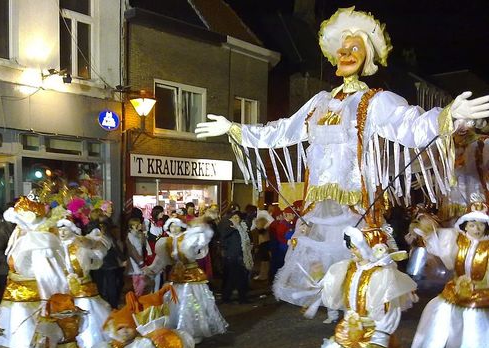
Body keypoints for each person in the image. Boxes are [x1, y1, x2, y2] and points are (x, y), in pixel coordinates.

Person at [195, 6, 489, 312]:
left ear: (367, 59)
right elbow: (281, 131)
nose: (347, 54)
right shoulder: (319, 102)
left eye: (355, 49)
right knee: (327, 275)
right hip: (319, 204)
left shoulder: (376, 101)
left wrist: (447, 115)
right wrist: (234, 128)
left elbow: (409, 124)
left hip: (357, 202)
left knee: (362, 276)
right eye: (343, 49)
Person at [408, 204, 489, 348]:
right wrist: (428, 232)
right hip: (455, 292)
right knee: (441, 321)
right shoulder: (456, 240)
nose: (476, 229)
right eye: (472, 224)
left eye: (480, 225)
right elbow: (439, 242)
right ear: (465, 226)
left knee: (476, 333)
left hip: (481, 297)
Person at [0, 195, 67, 348]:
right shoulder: (20, 232)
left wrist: (48, 302)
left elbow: (49, 276)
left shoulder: (40, 239)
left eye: (25, 213)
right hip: (14, 297)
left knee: (27, 340)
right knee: (10, 336)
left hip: (31, 300)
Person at [144, 217, 227, 343]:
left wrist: (201, 227)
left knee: (192, 303)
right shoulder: (166, 242)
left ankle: (193, 331)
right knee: (176, 304)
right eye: (171, 226)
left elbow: (202, 241)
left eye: (176, 226)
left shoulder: (189, 238)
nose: (174, 228)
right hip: (176, 278)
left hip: (192, 277)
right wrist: (151, 270)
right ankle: (177, 329)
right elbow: (161, 260)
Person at [57, 218, 112, 348]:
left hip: (83, 290)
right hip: (64, 290)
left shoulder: (81, 245)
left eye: (65, 229)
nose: (62, 233)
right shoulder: (56, 246)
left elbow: (96, 257)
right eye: (60, 230)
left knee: (87, 317)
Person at [220, 211, 253, 303]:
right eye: (234, 217)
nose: (236, 219)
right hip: (232, 257)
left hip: (241, 257)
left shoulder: (242, 229)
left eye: (237, 217)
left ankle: (238, 297)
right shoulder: (229, 228)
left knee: (240, 278)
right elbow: (223, 239)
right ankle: (231, 298)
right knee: (233, 278)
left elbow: (247, 241)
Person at [0, 201, 16, 304]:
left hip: (13, 265)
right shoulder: (1, 230)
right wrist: (9, 263)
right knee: (4, 291)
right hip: (5, 267)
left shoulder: (15, 226)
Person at [144, 205, 167, 291]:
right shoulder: (148, 222)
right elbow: (145, 238)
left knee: (159, 271)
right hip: (151, 250)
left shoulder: (161, 224)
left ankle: (156, 292)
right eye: (162, 212)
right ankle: (151, 292)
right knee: (152, 272)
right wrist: (149, 250)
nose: (163, 214)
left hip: (159, 251)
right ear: (157, 212)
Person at [125, 217, 148, 297]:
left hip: (140, 259)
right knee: (137, 280)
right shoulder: (130, 236)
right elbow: (132, 251)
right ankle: (137, 297)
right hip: (134, 261)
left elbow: (144, 246)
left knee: (141, 280)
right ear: (131, 226)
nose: (139, 226)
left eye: (139, 224)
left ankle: (138, 296)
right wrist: (140, 262)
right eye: (136, 225)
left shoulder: (140, 235)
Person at [251, 210, 274, 281]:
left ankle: (263, 275)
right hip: (265, 243)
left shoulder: (262, 222)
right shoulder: (266, 222)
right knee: (265, 260)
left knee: (264, 260)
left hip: (263, 243)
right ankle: (264, 275)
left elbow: (259, 231)